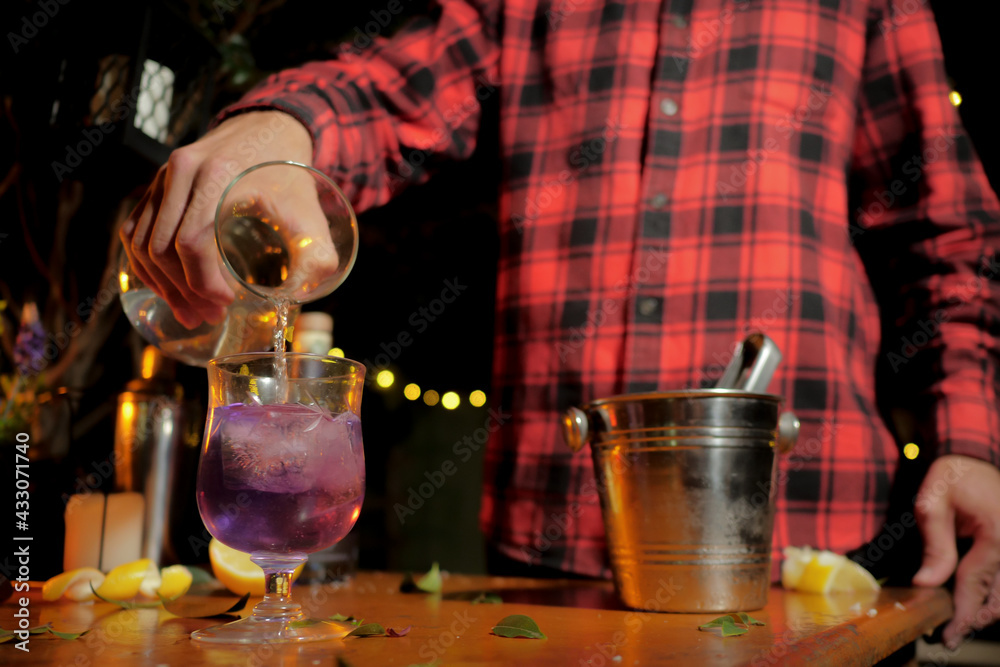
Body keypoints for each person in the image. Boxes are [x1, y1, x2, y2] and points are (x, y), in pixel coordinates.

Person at [120, 0, 1000, 650]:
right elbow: (383, 93)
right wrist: (280, 129)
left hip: (810, 548)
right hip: (550, 561)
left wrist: (972, 440)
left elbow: (950, 232)